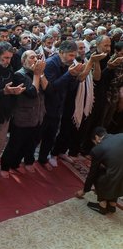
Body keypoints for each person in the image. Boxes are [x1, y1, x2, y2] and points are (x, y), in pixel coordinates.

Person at [39, 40, 85, 170]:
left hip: (58, 107)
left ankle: (43, 159)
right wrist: (69, 74)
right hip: (45, 107)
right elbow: (51, 89)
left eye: (74, 55)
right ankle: (28, 160)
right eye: (70, 55)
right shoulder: (50, 64)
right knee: (37, 137)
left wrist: (75, 76)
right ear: (61, 52)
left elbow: (70, 89)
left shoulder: (68, 64)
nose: (73, 58)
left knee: (51, 136)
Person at [0, 51, 47, 176]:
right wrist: (37, 74)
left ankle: (15, 163)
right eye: (32, 57)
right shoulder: (19, 75)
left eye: (36, 57)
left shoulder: (38, 73)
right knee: (15, 143)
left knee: (30, 142)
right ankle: (5, 167)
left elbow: (49, 90)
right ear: (23, 61)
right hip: (23, 116)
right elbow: (32, 93)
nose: (35, 60)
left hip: (37, 115)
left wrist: (40, 74)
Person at [76, 127, 123, 215]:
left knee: (98, 172)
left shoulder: (98, 149)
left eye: (94, 142)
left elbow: (92, 173)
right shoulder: (120, 136)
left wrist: (84, 191)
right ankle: (112, 204)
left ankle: (103, 205)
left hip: (115, 178)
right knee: (117, 170)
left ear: (96, 137)